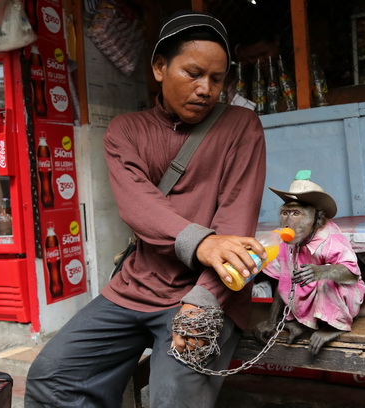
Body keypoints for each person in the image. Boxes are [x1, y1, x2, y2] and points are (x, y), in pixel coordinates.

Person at [24, 10, 267, 408]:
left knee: (172, 401)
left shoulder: (241, 126)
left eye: (217, 79)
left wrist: (203, 303)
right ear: (159, 67)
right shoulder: (126, 130)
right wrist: (202, 242)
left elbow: (235, 226)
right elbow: (139, 205)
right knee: (53, 377)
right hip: (134, 287)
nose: (205, 88)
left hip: (206, 291)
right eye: (193, 73)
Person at [255, 170, 365, 353]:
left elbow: (352, 274)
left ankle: (333, 328)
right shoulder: (284, 243)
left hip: (344, 296)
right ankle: (307, 324)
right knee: (291, 277)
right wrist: (271, 321)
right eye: (285, 213)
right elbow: (283, 281)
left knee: (323, 280)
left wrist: (321, 271)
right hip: (310, 297)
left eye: (296, 213)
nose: (287, 221)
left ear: (317, 218)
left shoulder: (329, 239)